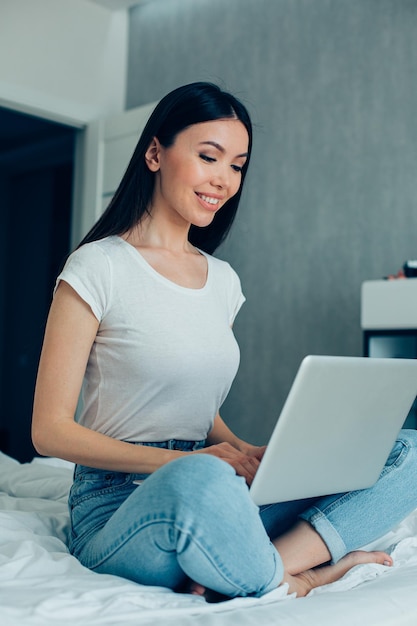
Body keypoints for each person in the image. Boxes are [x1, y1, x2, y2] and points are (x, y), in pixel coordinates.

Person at [32, 82, 417, 601]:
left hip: (213, 483)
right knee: (203, 486)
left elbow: (196, 408)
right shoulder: (97, 267)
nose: (224, 179)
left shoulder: (223, 281)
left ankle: (272, 566)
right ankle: (305, 576)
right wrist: (186, 464)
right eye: (209, 157)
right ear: (154, 153)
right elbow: (49, 432)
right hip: (119, 503)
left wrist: (248, 453)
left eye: (237, 165)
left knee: (405, 448)